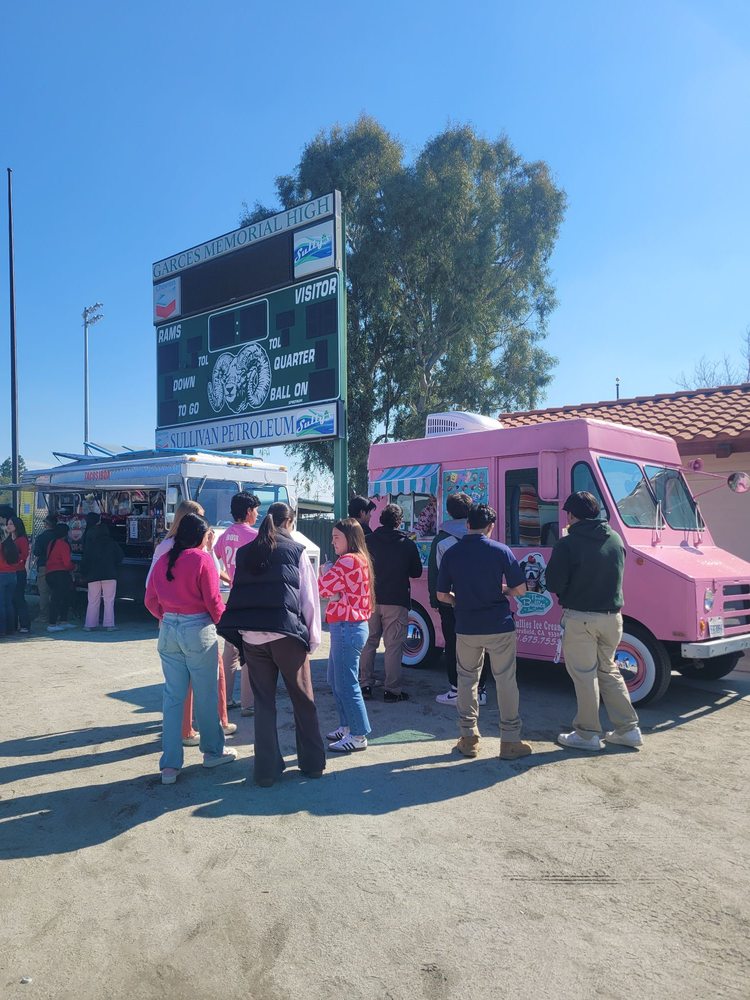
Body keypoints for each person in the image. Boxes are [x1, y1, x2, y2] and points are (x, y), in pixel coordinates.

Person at [218, 502, 325, 787]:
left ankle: (265, 771)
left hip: (252, 637)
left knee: (264, 705)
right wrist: (312, 640)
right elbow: (309, 601)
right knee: (303, 701)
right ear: (289, 522)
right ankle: (312, 764)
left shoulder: (245, 552)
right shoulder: (296, 551)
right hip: (286, 636)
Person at [545, 491, 642, 751]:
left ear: (571, 515)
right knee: (609, 670)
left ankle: (587, 734)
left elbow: (553, 583)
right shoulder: (615, 538)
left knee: (585, 676)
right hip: (613, 618)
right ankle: (628, 729)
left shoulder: (567, 544)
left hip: (581, 618)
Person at [145, 513, 238, 785]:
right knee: (206, 695)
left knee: (173, 698)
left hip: (168, 630)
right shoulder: (202, 559)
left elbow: (150, 599)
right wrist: (228, 626)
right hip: (198, 630)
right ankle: (212, 752)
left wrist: (166, 616)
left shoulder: (164, 559)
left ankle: (169, 766)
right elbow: (213, 601)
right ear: (200, 536)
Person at [436, 503, 531, 760]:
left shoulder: (452, 553)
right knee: (506, 680)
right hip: (499, 625)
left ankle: (468, 738)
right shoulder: (501, 550)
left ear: (467, 524)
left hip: (466, 627)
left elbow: (442, 595)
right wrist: (503, 590)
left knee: (467, 680)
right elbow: (520, 590)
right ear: (491, 527)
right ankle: (510, 741)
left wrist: (459, 601)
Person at [428, 492, 490, 707]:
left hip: (450, 600)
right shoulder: (482, 536)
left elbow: (435, 573)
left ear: (448, 511)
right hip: (480, 600)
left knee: (453, 644)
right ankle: (480, 690)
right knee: (480, 645)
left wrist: (435, 600)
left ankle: (456, 689)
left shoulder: (441, 539)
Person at [318, 518, 374, 753]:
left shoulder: (347, 561)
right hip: (350, 626)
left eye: (336, 537)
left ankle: (358, 734)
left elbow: (322, 588)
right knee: (338, 680)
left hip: (346, 626)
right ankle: (348, 727)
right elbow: (329, 591)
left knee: (345, 682)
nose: (332, 542)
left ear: (349, 538)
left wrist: (325, 572)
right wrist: (333, 590)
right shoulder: (358, 559)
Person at [359, 503, 423, 701]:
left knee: (369, 643)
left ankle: (364, 685)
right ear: (399, 521)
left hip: (371, 599)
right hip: (396, 600)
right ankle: (392, 690)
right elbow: (416, 572)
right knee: (393, 646)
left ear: (381, 519)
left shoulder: (367, 541)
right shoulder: (407, 544)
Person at [214, 492, 261, 715]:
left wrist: (229, 579)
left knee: (230, 650)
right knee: (250, 650)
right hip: (251, 598)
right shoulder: (256, 536)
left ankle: (224, 699)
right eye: (256, 510)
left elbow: (215, 564)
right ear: (249, 511)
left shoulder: (224, 536)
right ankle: (248, 704)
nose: (258, 514)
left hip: (233, 599)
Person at [80, 517, 123, 631]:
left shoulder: (91, 545)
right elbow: (120, 557)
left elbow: (85, 560)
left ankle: (89, 625)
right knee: (109, 601)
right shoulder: (112, 543)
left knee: (93, 600)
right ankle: (109, 625)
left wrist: (84, 573)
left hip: (93, 576)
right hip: (110, 575)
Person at [45, 523, 76, 633]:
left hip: (49, 572)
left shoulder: (51, 543)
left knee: (59, 597)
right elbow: (67, 563)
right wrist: (74, 567)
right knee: (59, 599)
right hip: (60, 574)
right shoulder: (63, 544)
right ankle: (53, 623)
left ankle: (62, 621)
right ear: (65, 533)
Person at [7, 516, 31, 633]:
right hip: (9, 571)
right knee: (11, 599)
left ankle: (25, 624)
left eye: (11, 524)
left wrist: (14, 561)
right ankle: (13, 624)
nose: (8, 526)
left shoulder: (22, 540)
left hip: (19, 571)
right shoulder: (8, 539)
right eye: (8, 524)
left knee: (19, 598)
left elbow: (24, 555)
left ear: (17, 526)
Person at [33, 514, 58, 624]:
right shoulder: (59, 536)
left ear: (46, 524)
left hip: (43, 566)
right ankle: (55, 615)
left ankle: (44, 616)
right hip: (57, 567)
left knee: (44, 593)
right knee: (55, 592)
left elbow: (36, 552)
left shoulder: (41, 537)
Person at [0, 528, 19, 636]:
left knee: (1, 604)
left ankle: (2, 630)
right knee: (9, 603)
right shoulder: (12, 546)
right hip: (12, 575)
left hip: (1, 574)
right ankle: (10, 629)